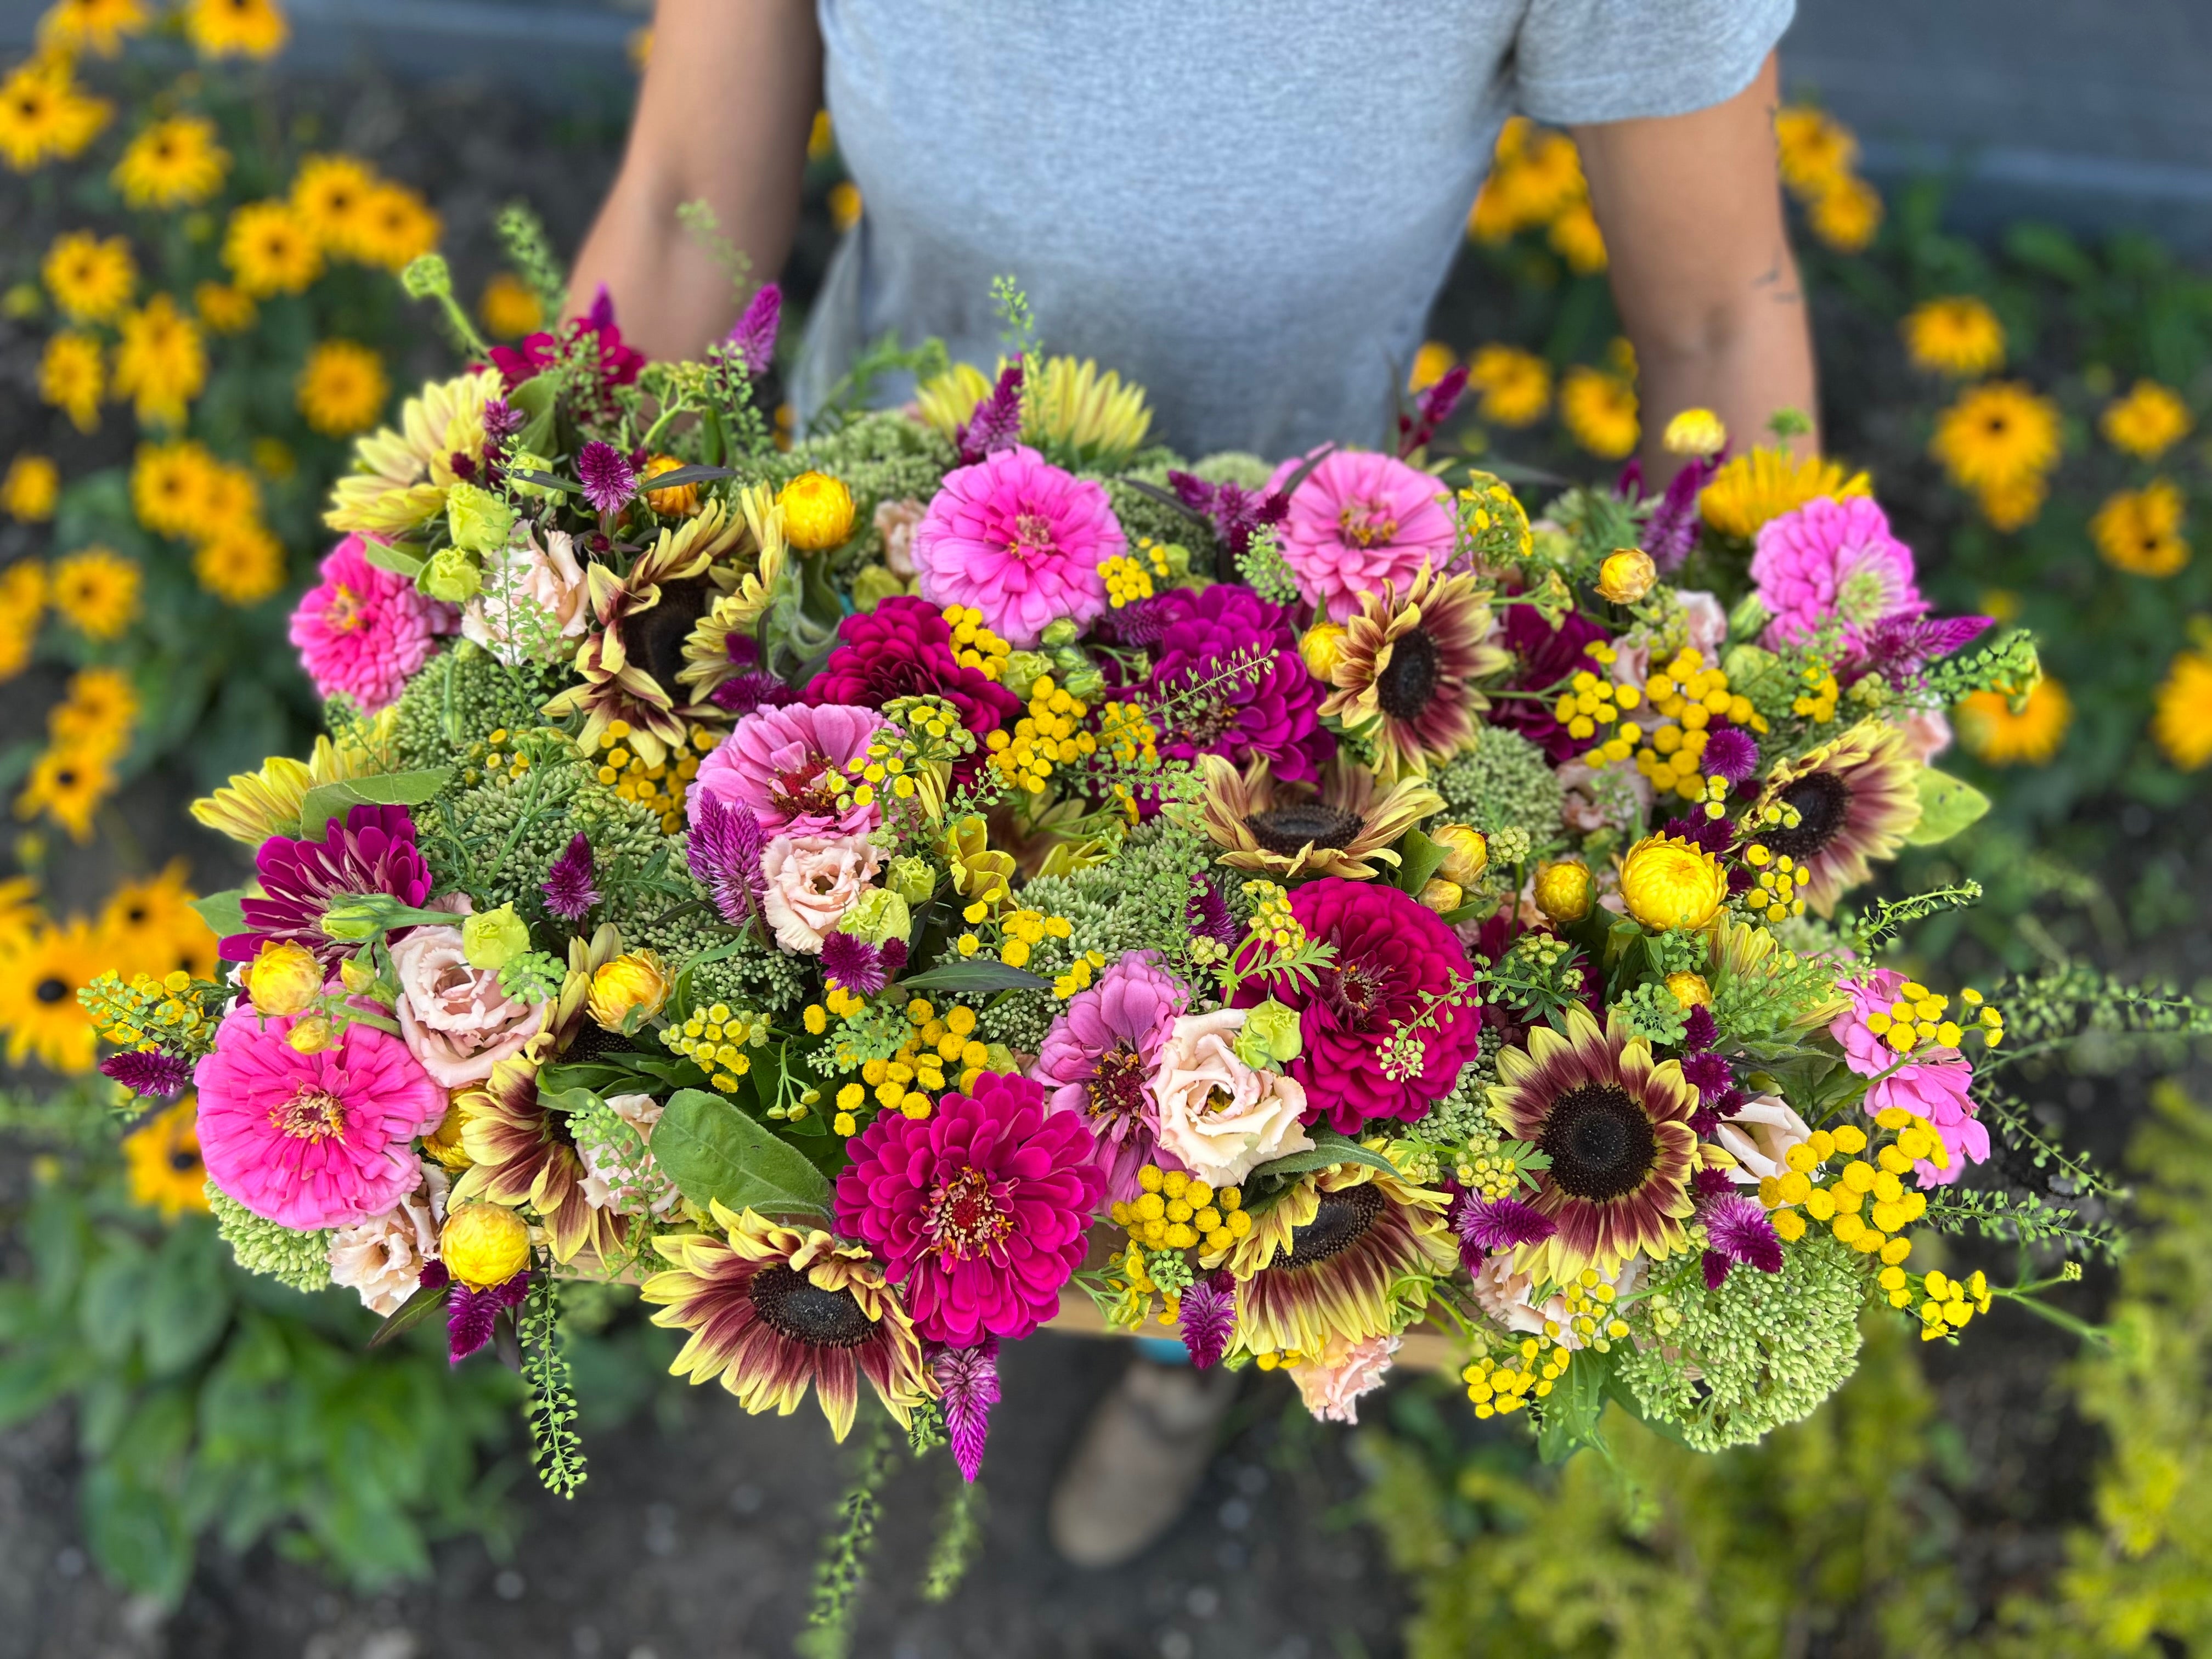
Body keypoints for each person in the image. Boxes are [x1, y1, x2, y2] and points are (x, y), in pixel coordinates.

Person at [571, 0, 1812, 1564]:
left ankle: (1179, 1362)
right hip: (862, 617)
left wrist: (1765, 731)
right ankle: (964, 1307)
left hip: (1305, 687)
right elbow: (689, 186)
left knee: (1238, 1125)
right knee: (902, 1104)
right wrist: (559, 581)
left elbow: (1716, 318)